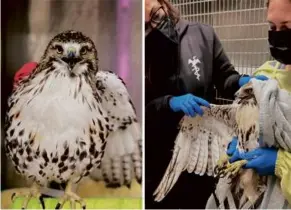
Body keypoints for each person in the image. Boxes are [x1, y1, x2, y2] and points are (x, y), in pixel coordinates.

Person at [145, 0, 267, 209]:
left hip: (202, 142)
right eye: (145, 24)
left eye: (154, 12)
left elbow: (225, 77)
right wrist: (168, 103)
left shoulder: (201, 34)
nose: (151, 21)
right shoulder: (141, 45)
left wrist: (240, 82)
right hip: (157, 151)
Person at [206, 0, 291, 208]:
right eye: (272, 27)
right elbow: (240, 128)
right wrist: (234, 147)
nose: (278, 35)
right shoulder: (265, 75)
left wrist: (281, 164)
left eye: (287, 27)